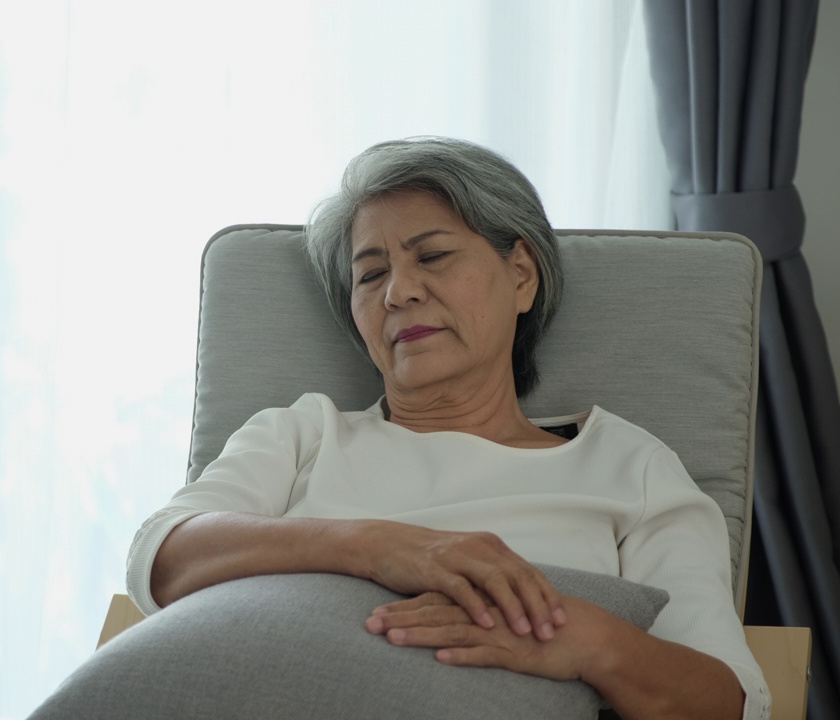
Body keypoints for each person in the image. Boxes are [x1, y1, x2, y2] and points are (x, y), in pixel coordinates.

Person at [125, 137, 769, 719]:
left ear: (520, 275)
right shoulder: (301, 434)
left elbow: (727, 702)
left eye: (432, 256)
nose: (398, 293)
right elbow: (163, 558)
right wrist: (379, 548)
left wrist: (587, 640)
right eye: (370, 274)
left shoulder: (631, 467)